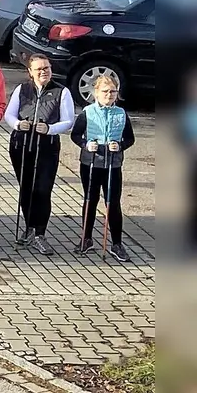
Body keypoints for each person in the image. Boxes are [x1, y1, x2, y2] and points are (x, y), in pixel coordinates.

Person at [3, 54, 75, 256]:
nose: (44, 72)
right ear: (30, 72)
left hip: (47, 147)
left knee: (43, 190)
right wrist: (18, 124)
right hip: (22, 144)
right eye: (39, 69)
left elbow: (68, 120)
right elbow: (9, 114)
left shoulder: (62, 91)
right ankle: (29, 228)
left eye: (47, 68)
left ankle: (40, 233)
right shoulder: (22, 89)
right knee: (26, 188)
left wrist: (50, 128)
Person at [72, 75, 134, 262]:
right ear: (96, 93)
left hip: (113, 164)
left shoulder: (121, 113)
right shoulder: (87, 112)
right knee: (90, 200)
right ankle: (86, 238)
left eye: (113, 91)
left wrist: (120, 145)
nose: (109, 95)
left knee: (112, 203)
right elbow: (75, 135)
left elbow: (130, 138)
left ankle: (116, 243)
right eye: (105, 91)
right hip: (91, 163)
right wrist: (85, 144)